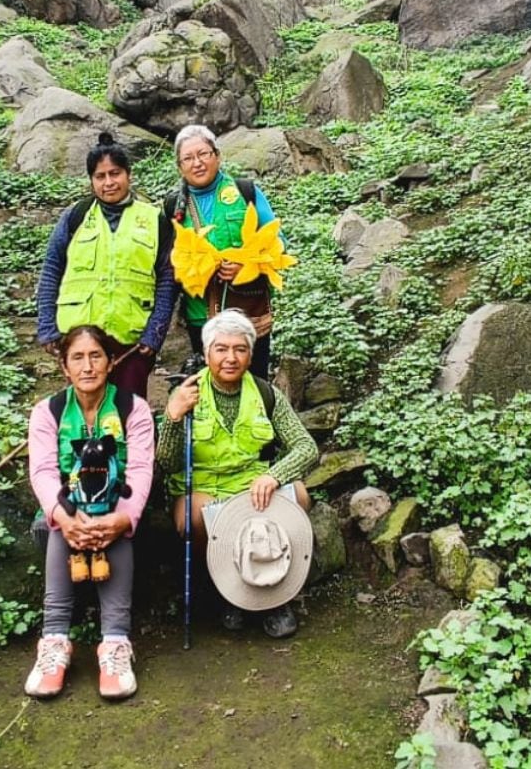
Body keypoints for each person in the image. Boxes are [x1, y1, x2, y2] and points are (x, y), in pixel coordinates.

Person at [159, 309, 317, 638]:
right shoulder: (187, 393)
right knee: (192, 515)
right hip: (205, 487)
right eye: (221, 349)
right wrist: (174, 417)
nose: (230, 358)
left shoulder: (265, 393)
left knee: (299, 494)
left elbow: (306, 447)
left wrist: (274, 475)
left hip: (252, 487)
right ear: (206, 353)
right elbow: (166, 463)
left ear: (250, 353)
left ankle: (275, 591)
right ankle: (224, 591)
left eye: (240, 349)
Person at [25, 324, 155, 700]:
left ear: (111, 362)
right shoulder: (47, 411)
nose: (87, 366)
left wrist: (124, 517)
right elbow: (44, 472)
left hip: (120, 505)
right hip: (66, 510)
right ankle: (54, 641)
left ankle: (114, 643)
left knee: (109, 520)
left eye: (96, 356)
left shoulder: (134, 409)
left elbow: (141, 469)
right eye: (77, 358)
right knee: (61, 525)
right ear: (64, 367)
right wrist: (63, 516)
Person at [37, 131, 178, 400]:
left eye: (115, 174)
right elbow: (51, 270)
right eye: (100, 177)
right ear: (91, 181)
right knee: (83, 413)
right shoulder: (76, 216)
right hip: (80, 337)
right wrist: (47, 327)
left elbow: (167, 279)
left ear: (128, 175)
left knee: (128, 412)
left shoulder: (154, 220)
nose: (109, 182)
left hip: (131, 339)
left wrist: (155, 333)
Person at [167, 125, 282, 381]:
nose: (197, 163)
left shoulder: (244, 192)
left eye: (203, 154)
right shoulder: (173, 206)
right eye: (188, 158)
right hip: (201, 317)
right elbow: (169, 261)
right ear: (179, 166)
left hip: (248, 313)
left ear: (217, 156)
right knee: (213, 387)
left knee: (255, 386)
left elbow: (277, 242)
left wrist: (248, 267)